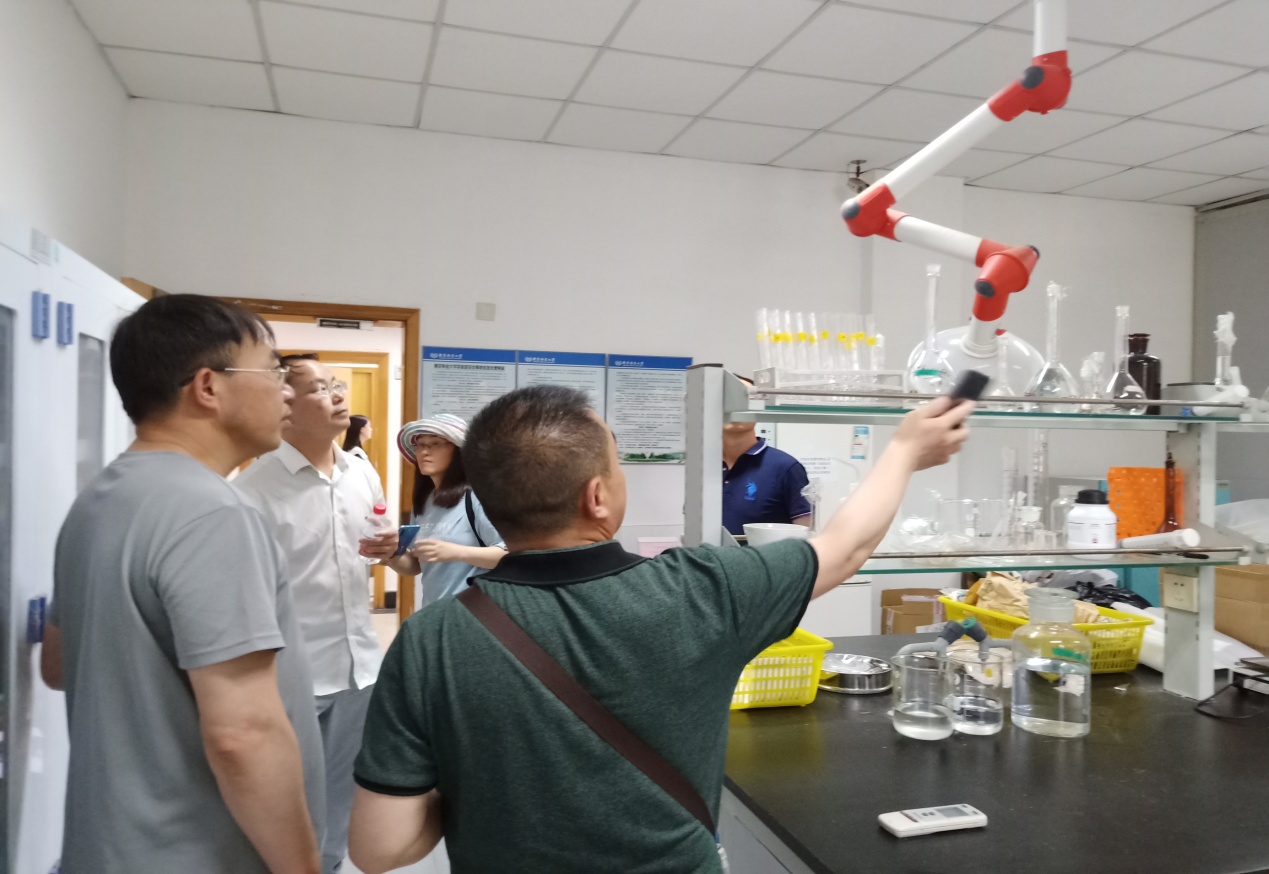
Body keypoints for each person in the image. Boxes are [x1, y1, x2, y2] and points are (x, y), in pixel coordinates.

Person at [347, 384, 971, 874]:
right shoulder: (701, 589)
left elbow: (380, 848)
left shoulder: (431, 639)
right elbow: (844, 546)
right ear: (597, 496)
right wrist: (904, 451)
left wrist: (478, 782)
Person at [40, 294, 324, 874]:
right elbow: (243, 734)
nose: (287, 392)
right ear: (208, 386)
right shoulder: (214, 514)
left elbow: (57, 665)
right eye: (273, 371)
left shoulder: (99, 500)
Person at [235, 355, 385, 874]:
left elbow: (372, 554)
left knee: (343, 800)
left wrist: (391, 550)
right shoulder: (253, 491)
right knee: (287, 804)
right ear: (286, 404)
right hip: (292, 675)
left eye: (336, 383)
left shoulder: (361, 473)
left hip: (359, 667)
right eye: (319, 388)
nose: (337, 395)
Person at [367, 414, 505, 609]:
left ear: (458, 451)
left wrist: (457, 552)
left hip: (476, 614)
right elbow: (416, 566)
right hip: (435, 612)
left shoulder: (477, 497)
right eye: (420, 445)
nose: (424, 451)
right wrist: (391, 554)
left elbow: (508, 556)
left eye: (435, 444)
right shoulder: (424, 502)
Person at [723, 377, 811, 536]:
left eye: (745, 398)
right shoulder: (703, 466)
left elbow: (806, 537)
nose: (736, 407)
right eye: (729, 399)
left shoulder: (785, 468)